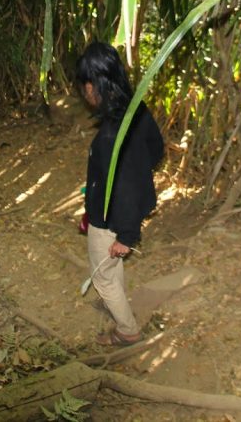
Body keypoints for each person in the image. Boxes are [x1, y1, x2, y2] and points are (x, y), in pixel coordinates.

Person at [76, 41, 164, 346]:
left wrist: (126, 236)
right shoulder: (135, 107)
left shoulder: (112, 134)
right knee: (112, 269)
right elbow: (156, 149)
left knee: (102, 276)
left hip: (109, 221)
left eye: (85, 85)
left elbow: (124, 188)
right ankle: (117, 300)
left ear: (93, 85)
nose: (84, 92)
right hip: (115, 211)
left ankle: (127, 329)